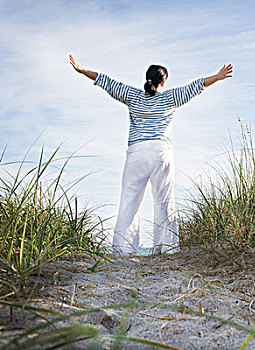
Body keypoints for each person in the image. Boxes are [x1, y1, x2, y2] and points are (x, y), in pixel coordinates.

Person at [69, 54, 233, 256]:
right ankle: (167, 248)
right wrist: (217, 76)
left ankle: (123, 250)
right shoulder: (170, 97)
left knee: (129, 200)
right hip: (160, 152)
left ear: (147, 79)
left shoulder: (132, 95)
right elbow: (196, 86)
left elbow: (106, 81)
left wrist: (82, 70)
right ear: (163, 82)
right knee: (164, 200)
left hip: (136, 153)